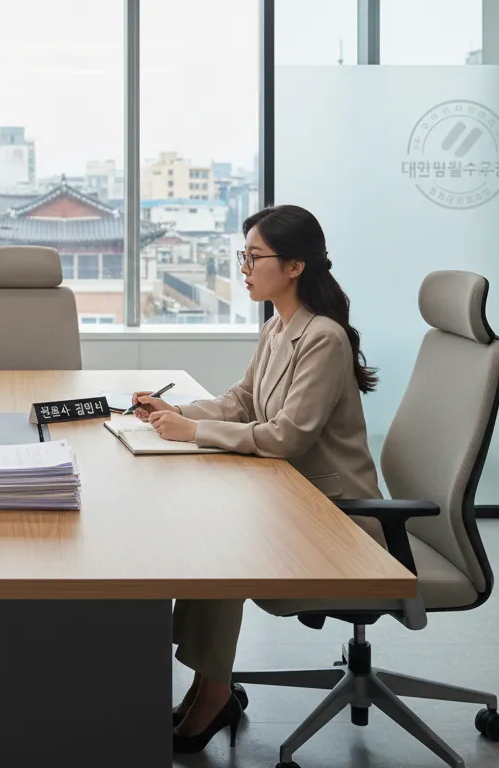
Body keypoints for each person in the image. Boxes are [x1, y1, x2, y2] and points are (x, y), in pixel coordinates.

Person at [131, 204, 382, 754]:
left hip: (339, 519)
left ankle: (214, 691)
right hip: (292, 499)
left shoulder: (323, 338)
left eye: (253, 257)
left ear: (294, 266)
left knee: (223, 546)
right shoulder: (278, 326)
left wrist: (192, 433)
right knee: (207, 534)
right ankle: (208, 685)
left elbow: (287, 436)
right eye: (241, 256)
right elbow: (243, 401)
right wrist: (176, 413)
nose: (243, 268)